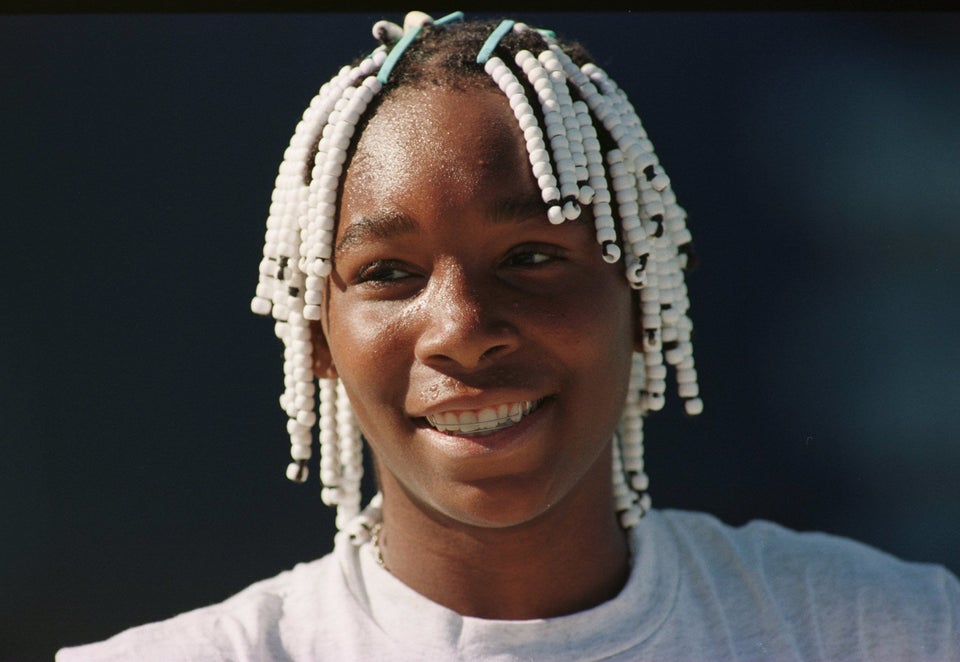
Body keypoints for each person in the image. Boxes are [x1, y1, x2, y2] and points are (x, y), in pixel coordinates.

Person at [57, 11, 960, 661]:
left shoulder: (893, 630)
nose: (461, 332)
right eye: (388, 274)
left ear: (642, 299)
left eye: (530, 256)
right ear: (316, 334)